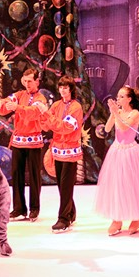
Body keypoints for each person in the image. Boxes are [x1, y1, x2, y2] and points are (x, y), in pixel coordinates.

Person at [95, 86, 139, 235]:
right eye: (118, 96)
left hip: (130, 152)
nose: (118, 99)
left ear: (129, 99)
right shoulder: (118, 112)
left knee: (133, 184)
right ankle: (117, 219)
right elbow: (108, 128)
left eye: (122, 96)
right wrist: (113, 112)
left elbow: (124, 127)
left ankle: (136, 217)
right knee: (116, 184)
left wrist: (115, 113)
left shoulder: (134, 113)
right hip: (117, 151)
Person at [0, 68, 48, 222]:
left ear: (37, 81)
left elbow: (33, 112)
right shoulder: (19, 95)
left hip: (34, 142)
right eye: (25, 81)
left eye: (30, 81)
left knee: (34, 176)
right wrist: (0, 103)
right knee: (17, 174)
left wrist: (16, 107)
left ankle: (34, 208)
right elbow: (6, 104)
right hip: (18, 141)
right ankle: (19, 208)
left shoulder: (40, 98)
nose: (27, 84)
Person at [40, 76, 83, 233]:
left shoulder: (76, 107)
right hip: (57, 150)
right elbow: (46, 126)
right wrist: (41, 113)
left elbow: (65, 127)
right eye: (61, 87)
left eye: (66, 87)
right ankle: (71, 212)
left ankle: (63, 219)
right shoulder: (56, 105)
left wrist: (47, 115)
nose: (63, 90)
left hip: (70, 152)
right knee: (62, 185)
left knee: (65, 185)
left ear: (71, 89)